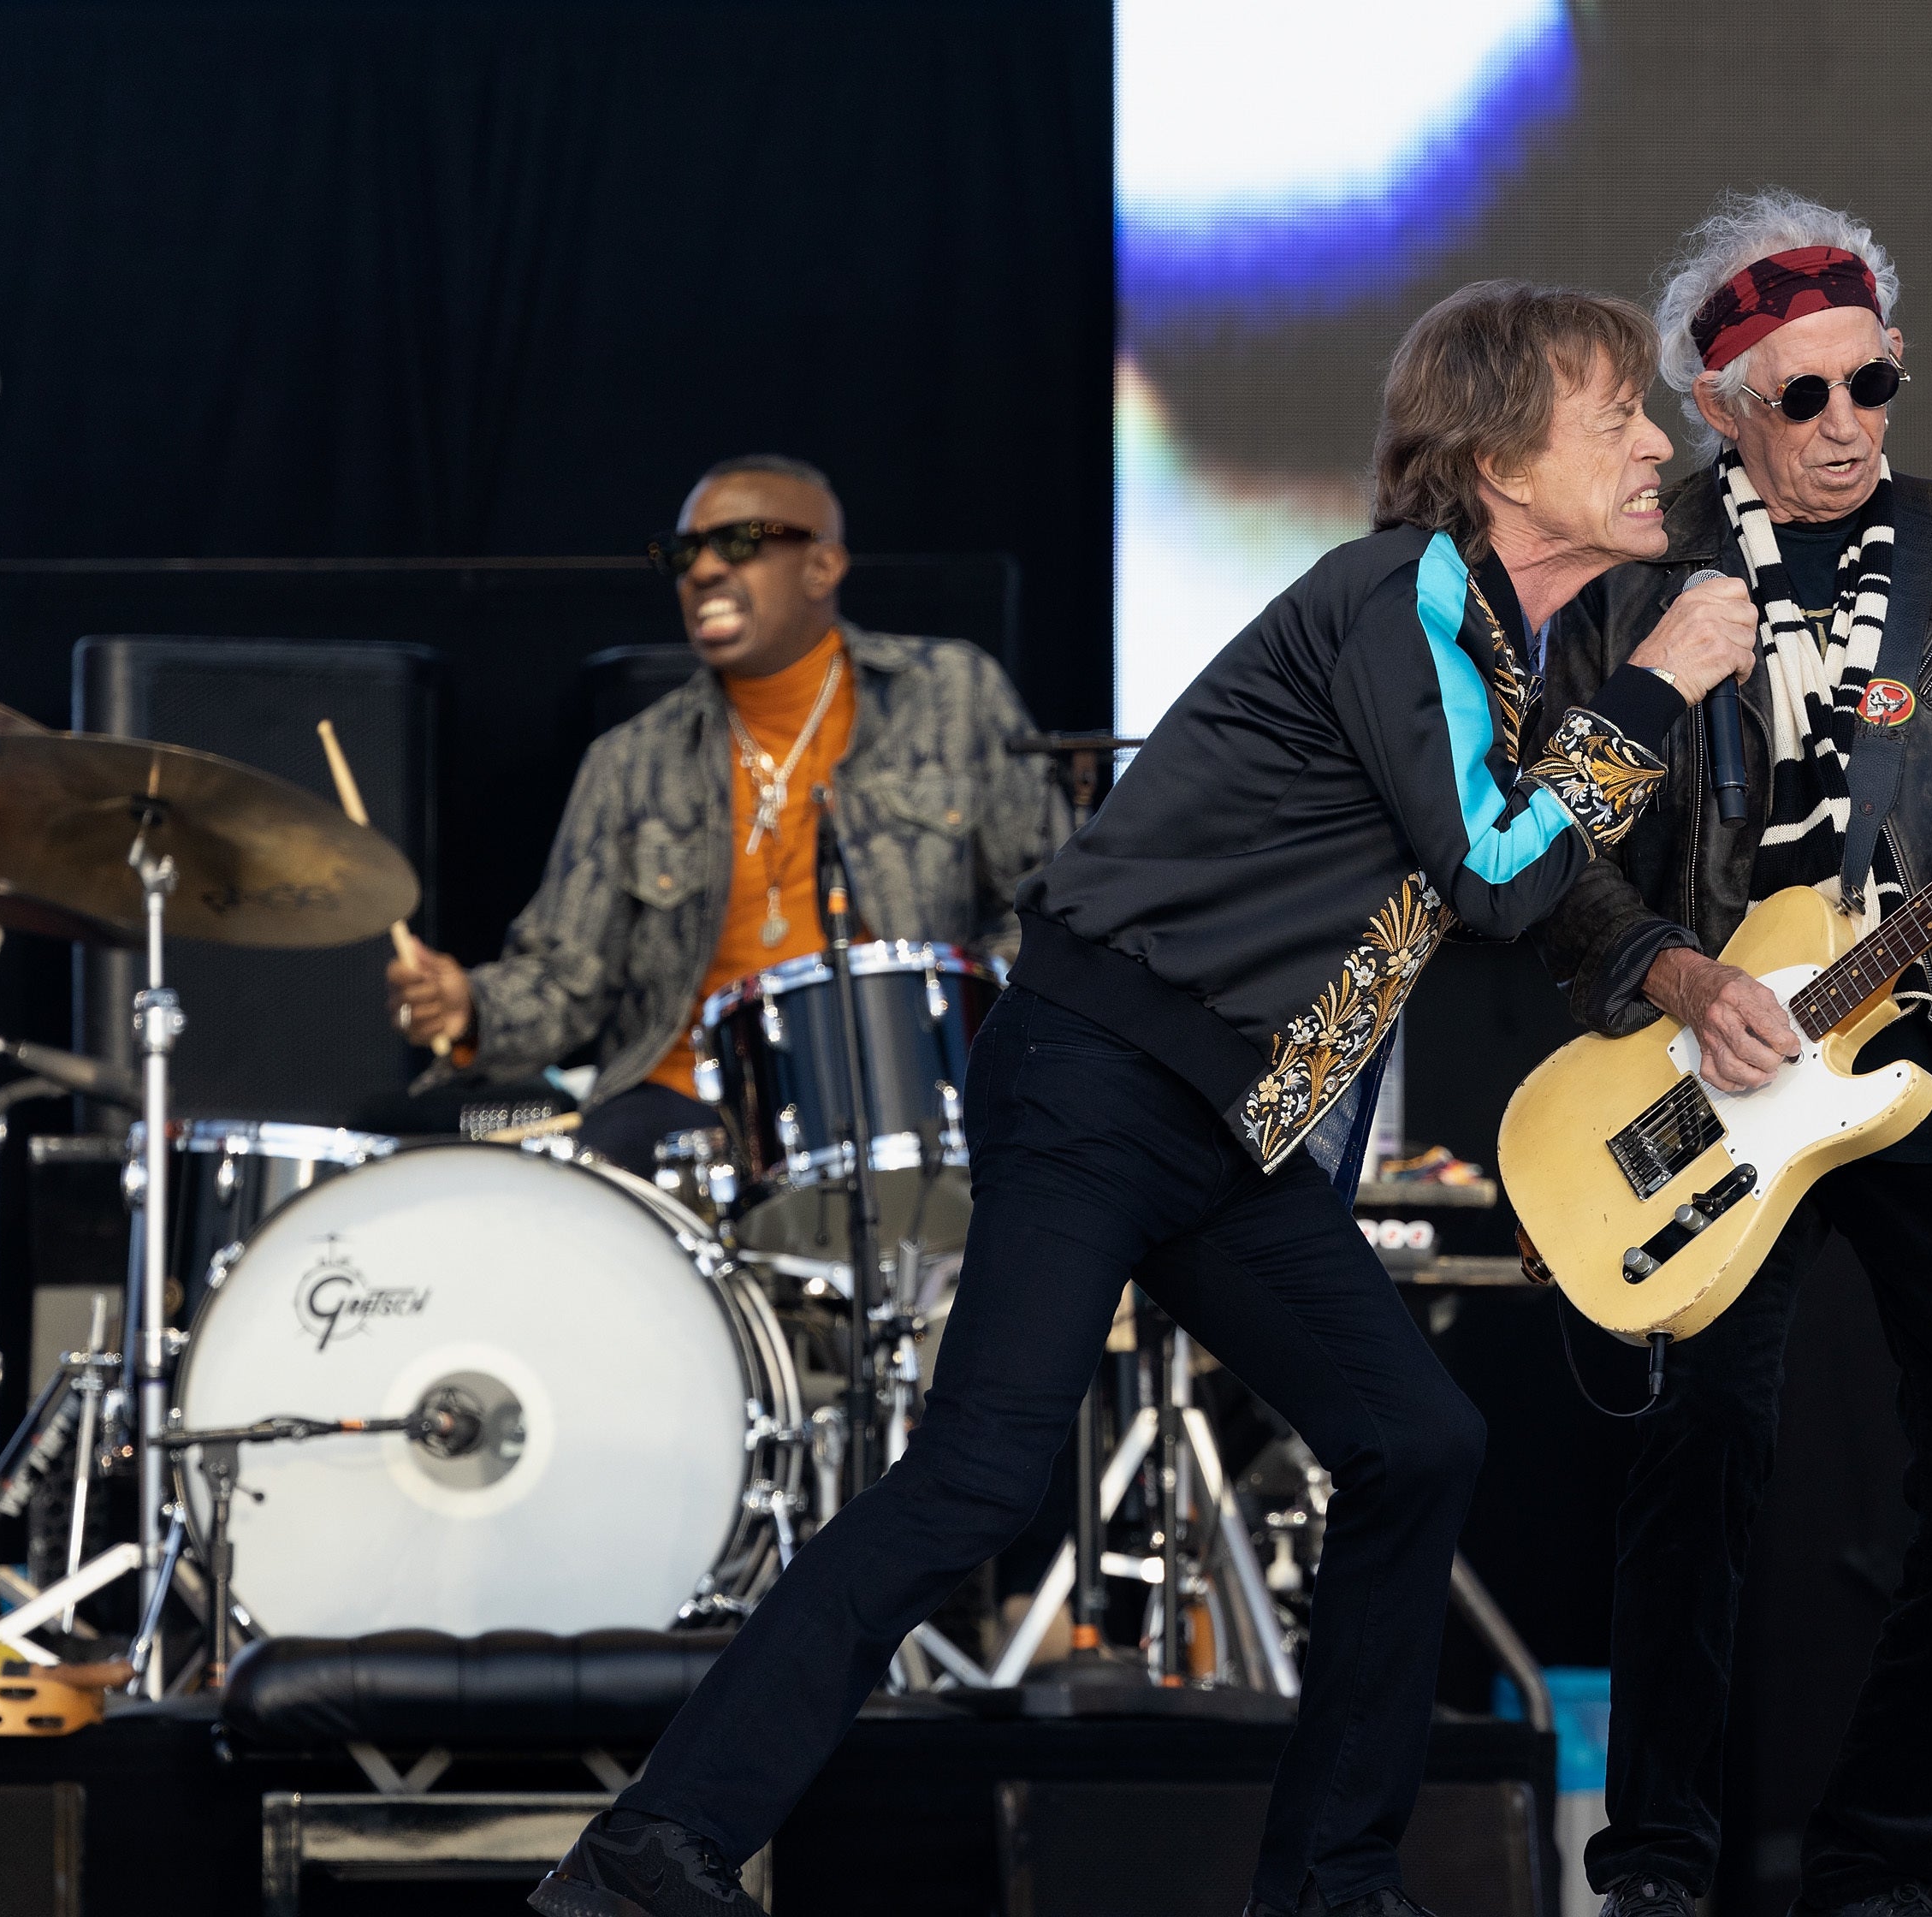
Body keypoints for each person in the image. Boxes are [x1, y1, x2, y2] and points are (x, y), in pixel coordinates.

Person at [530, 281, 1731, 1917]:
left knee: (1420, 1440)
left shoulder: (1493, 647)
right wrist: (1659, 683)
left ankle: (1331, 1885)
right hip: (1107, 1085)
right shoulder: (1399, 592)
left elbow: (1401, 924)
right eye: (1619, 416)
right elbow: (1501, 881)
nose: (1657, 442)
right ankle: (648, 1852)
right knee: (978, 1478)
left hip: (1227, 1138)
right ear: (1506, 460)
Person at [1531, 191, 1932, 1917]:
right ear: (1721, 403)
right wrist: (1665, 973)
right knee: (1698, 1464)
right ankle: (1655, 1859)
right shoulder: (1633, 583)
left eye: (1870, 382)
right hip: (1725, 1068)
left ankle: (1874, 1855)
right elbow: (1545, 853)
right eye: (1800, 397)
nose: (1848, 425)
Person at [383, 454, 1070, 1170]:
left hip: (912, 1084)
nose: (703, 570)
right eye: (683, 553)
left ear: (822, 566)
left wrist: (969, 1015)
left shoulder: (950, 695)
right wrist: (469, 1009)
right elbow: (566, 979)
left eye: (740, 542)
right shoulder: (632, 760)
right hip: (687, 1103)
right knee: (586, 1209)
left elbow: (1051, 907)